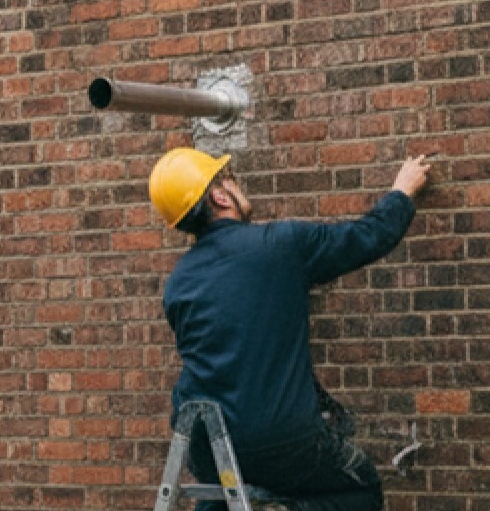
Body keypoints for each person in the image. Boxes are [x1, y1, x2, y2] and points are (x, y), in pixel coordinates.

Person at [150, 147, 432, 511]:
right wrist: (402, 191)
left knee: (225, 491)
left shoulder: (178, 282)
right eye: (227, 179)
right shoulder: (280, 246)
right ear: (220, 195)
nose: (234, 183)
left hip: (204, 443)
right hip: (279, 440)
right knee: (359, 489)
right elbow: (366, 237)